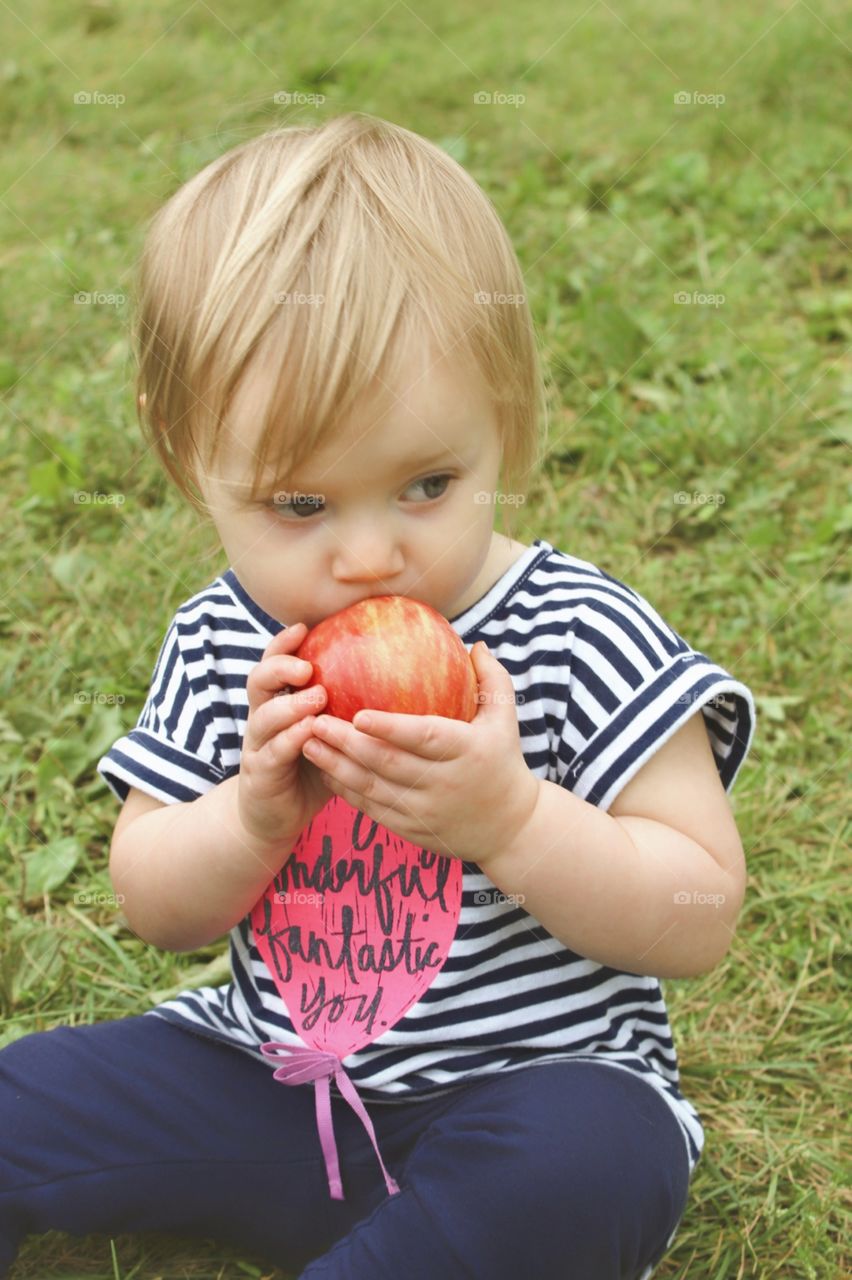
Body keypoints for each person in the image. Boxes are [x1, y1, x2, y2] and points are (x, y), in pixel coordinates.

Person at [0, 113, 756, 1280]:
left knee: (588, 1165)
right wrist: (252, 818)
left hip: (527, 1091)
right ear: (184, 451)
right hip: (275, 1079)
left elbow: (700, 908)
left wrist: (511, 820)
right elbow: (155, 901)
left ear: (502, 414)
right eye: (301, 506)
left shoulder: (574, 630)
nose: (367, 557)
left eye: (426, 484)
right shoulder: (226, 641)